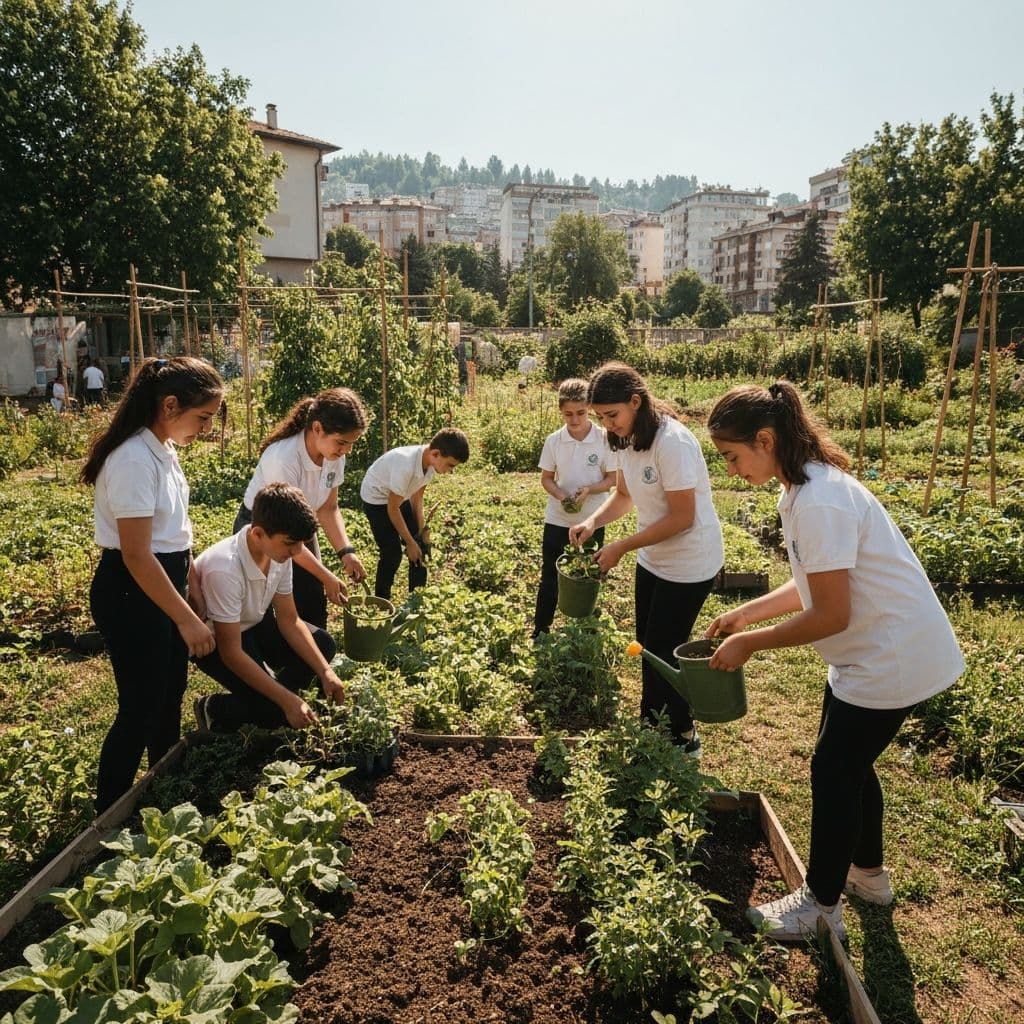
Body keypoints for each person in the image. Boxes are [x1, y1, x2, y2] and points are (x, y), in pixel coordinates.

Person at [704, 381, 964, 941]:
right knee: (849, 763)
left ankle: (820, 908)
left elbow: (832, 615)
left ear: (766, 439)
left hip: (888, 656)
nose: (730, 470)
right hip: (870, 653)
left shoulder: (820, 498)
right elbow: (810, 584)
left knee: (834, 769)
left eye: (732, 456)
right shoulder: (803, 489)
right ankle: (867, 876)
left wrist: (752, 643)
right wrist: (747, 613)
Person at [82, 356, 222, 813]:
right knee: (139, 708)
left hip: (164, 581)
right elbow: (138, 556)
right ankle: (108, 815)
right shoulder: (131, 461)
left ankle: (163, 789)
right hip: (131, 591)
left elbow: (175, 533)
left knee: (169, 695)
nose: (205, 429)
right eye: (201, 417)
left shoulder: (163, 449)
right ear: (168, 405)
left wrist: (192, 583)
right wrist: (187, 620)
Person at [569, 362, 723, 758]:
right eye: (601, 417)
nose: (607, 424)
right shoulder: (623, 439)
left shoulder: (673, 443)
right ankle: (654, 727)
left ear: (636, 401)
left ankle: (682, 737)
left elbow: (682, 516)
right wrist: (592, 520)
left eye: (613, 415)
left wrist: (622, 546)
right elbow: (623, 496)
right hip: (655, 558)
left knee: (665, 649)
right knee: (650, 649)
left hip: (690, 562)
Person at [192, 483, 343, 733]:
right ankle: (214, 708)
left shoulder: (278, 554)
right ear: (258, 533)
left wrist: (325, 672)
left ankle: (271, 698)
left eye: (301, 545)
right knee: (275, 710)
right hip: (217, 641)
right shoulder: (225, 569)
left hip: (251, 622)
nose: (296, 552)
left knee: (324, 645)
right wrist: (287, 701)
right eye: (290, 544)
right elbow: (231, 652)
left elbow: (289, 620)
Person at [236, 388, 368, 630]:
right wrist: (326, 575)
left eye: (351, 444)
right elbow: (284, 528)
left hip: (300, 526)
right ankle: (264, 662)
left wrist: (346, 551)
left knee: (312, 599)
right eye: (341, 442)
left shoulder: (334, 456)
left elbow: (328, 508)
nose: (346, 451)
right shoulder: (285, 458)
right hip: (264, 529)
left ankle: (313, 660)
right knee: (259, 605)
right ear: (317, 428)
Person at [532, 378, 616, 638]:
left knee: (589, 573)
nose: (575, 419)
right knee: (550, 574)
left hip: (593, 518)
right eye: (568, 414)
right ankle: (541, 628)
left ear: (589, 408)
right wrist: (561, 495)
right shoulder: (554, 441)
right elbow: (546, 477)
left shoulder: (604, 439)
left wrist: (589, 490)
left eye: (580, 413)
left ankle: (584, 628)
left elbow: (613, 479)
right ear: (561, 411)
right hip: (558, 518)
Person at [360, 427, 470, 600]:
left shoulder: (431, 465)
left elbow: (416, 498)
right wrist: (409, 542)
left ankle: (416, 599)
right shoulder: (405, 465)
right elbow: (392, 508)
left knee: (420, 546)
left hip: (400, 497)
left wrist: (420, 531)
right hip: (377, 500)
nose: (451, 470)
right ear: (435, 453)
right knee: (392, 553)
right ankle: (381, 601)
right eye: (450, 465)